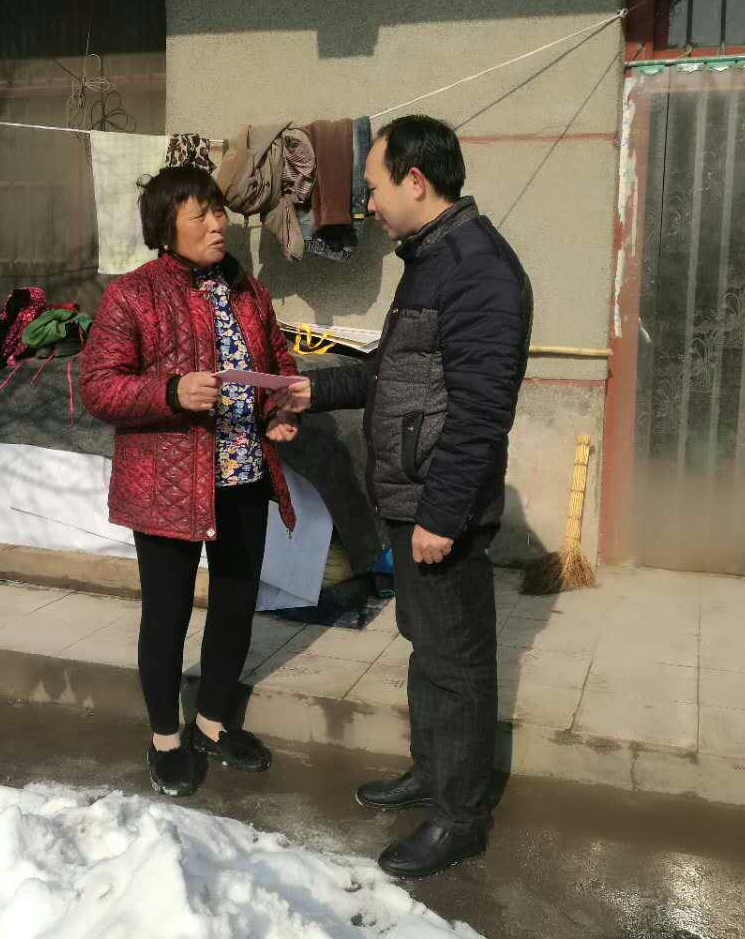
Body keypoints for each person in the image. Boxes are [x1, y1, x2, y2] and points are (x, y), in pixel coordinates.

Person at [295, 115, 533, 879]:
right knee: (428, 648)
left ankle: (458, 818)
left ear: (416, 181)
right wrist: (309, 390)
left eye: (373, 188)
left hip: (438, 509)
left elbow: (481, 414)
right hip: (413, 499)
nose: (367, 204)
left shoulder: (478, 271)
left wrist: (441, 515)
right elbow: (387, 375)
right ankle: (432, 775)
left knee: (455, 663)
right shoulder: (429, 261)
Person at [80, 165, 310, 798]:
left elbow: (277, 362)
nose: (216, 224)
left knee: (235, 605)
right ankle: (165, 738)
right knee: (167, 614)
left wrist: (280, 410)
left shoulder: (248, 291)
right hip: (167, 486)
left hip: (242, 475)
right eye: (199, 214)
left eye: (218, 211)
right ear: (166, 228)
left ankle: (211, 723)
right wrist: (171, 392)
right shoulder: (132, 295)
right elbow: (97, 387)